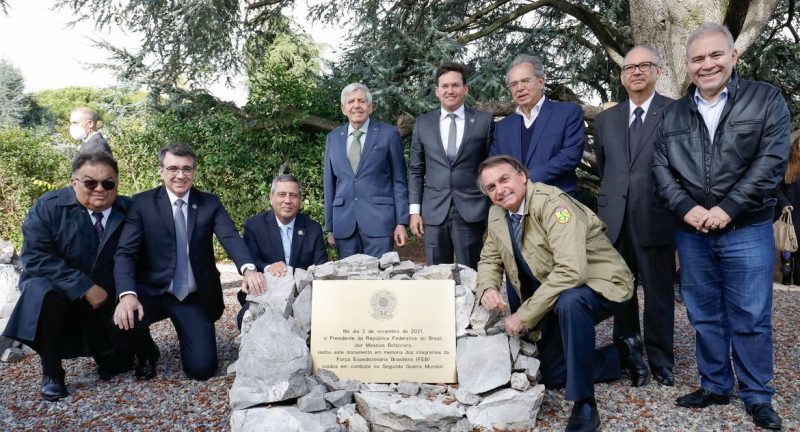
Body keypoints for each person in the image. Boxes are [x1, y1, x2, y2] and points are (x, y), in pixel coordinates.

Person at [653, 23, 790, 431]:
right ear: (688, 65)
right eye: (698, 58)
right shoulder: (673, 113)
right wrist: (685, 208)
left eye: (715, 55)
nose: (707, 64)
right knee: (704, 314)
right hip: (692, 232)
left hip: (746, 227)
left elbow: (771, 162)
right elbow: (660, 168)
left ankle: (756, 395)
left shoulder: (765, 100)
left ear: (733, 56)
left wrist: (728, 208)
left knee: (750, 315)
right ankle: (714, 384)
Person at [476, 155, 634, 432]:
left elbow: (572, 272)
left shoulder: (553, 204)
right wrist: (488, 286)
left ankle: (585, 404)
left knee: (571, 302)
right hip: (557, 293)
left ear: (522, 176)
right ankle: (624, 352)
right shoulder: (497, 214)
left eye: (504, 180)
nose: (499, 190)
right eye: (491, 187)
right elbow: (489, 259)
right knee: (554, 374)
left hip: (602, 284)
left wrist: (524, 314)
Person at [113, 142, 265, 381]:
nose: (180, 175)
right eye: (173, 168)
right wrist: (127, 294)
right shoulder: (142, 204)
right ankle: (146, 353)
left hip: (191, 297)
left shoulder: (210, 203)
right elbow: (125, 253)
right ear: (161, 171)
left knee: (202, 369)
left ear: (194, 171)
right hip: (152, 291)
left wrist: (248, 269)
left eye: (187, 169)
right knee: (123, 313)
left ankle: (195, 333)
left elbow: (230, 236)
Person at [2, 152, 134, 401]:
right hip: (56, 289)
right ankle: (52, 371)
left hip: (104, 296)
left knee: (119, 363)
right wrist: (83, 285)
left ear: (116, 183)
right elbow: (35, 257)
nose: (99, 189)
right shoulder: (48, 206)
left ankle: (106, 349)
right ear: (73, 182)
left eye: (108, 183)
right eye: (90, 183)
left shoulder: (128, 209)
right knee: (42, 293)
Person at [595, 44, 676, 387]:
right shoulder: (605, 120)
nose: (637, 72)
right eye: (630, 68)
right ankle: (628, 354)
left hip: (655, 215)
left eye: (645, 65)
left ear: (658, 71)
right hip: (614, 220)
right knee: (620, 292)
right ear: (622, 76)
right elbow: (606, 167)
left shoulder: (675, 112)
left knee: (658, 293)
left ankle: (660, 359)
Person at [407, 62, 494, 270]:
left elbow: (492, 168)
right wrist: (414, 211)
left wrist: (493, 208)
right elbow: (416, 170)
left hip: (471, 209)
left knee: (471, 273)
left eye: (455, 85)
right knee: (436, 276)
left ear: (465, 89)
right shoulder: (423, 123)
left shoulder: (484, 121)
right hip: (434, 210)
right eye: (444, 86)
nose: (450, 90)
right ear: (437, 91)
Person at [323, 83, 409, 258]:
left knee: (378, 281)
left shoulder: (388, 134)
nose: (356, 105)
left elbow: (399, 181)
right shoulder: (332, 138)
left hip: (380, 223)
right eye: (351, 101)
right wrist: (330, 226)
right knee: (348, 281)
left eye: (362, 101)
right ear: (343, 108)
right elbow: (329, 184)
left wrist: (401, 222)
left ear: (370, 107)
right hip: (344, 225)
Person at [237, 174, 328, 328]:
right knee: (246, 321)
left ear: (300, 200)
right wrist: (267, 267)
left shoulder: (313, 228)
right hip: (265, 294)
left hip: (303, 298)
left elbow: (322, 265)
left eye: (293, 195)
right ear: (271, 197)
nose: (287, 200)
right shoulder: (254, 225)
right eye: (281, 195)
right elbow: (250, 260)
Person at [491, 55, 584, 197]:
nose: (520, 88)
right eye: (514, 84)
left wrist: (526, 179)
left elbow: (570, 156)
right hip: (516, 204)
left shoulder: (567, 113)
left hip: (558, 200)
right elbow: (495, 164)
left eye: (525, 81)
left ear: (541, 82)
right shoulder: (502, 127)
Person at [777, 135, 800, 285]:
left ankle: (798, 280)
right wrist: (784, 203)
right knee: (787, 245)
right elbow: (776, 188)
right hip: (790, 211)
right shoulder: (787, 164)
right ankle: (786, 276)